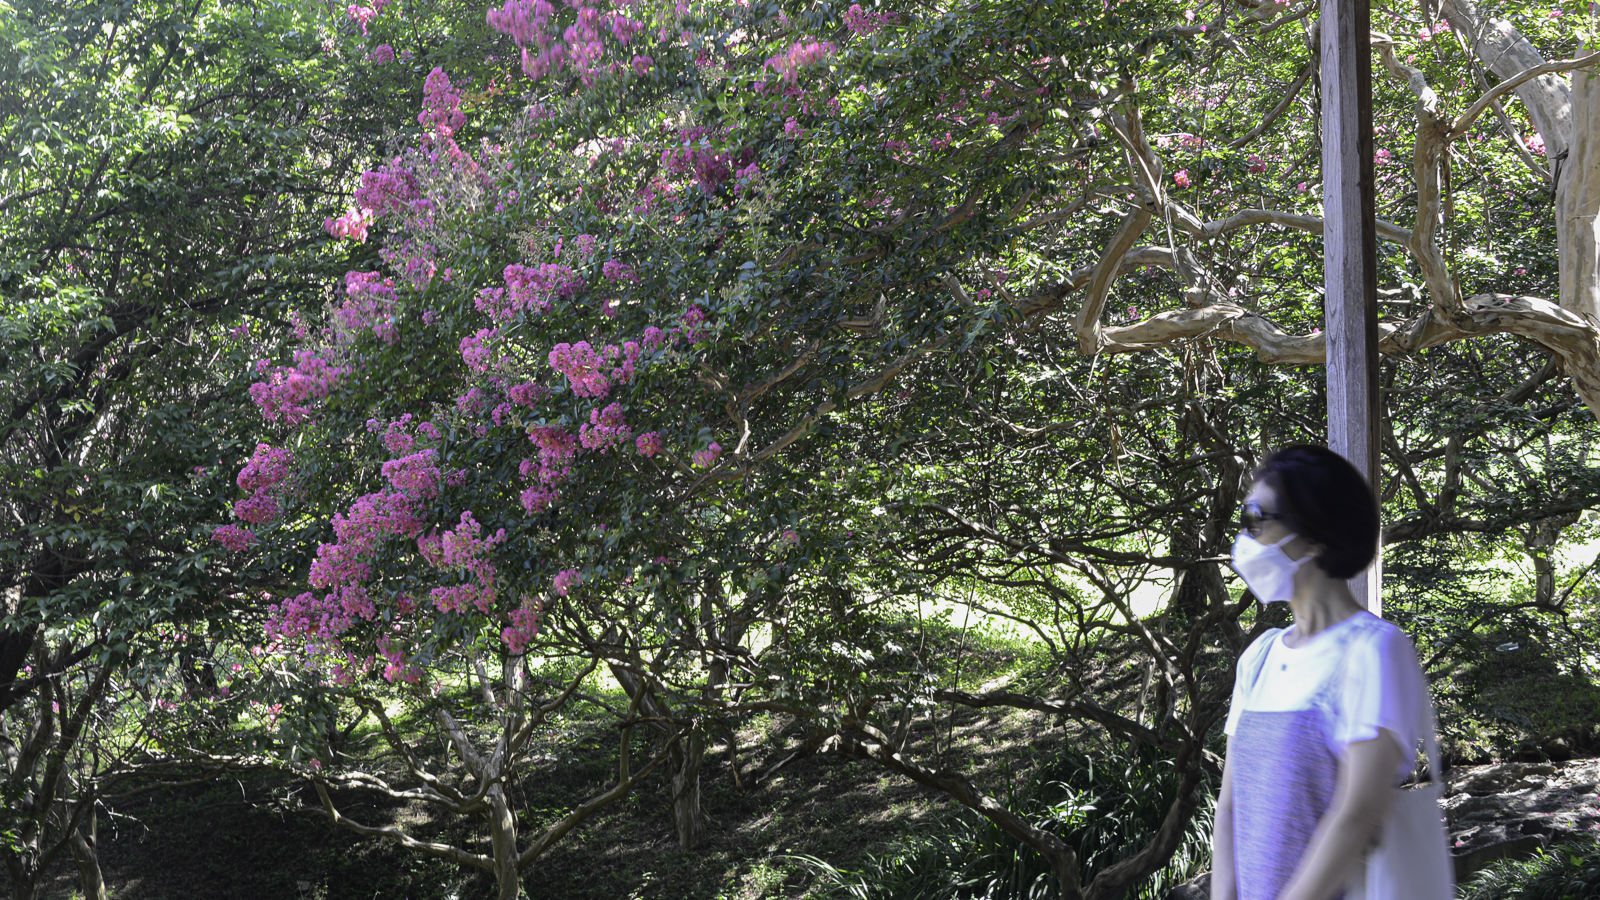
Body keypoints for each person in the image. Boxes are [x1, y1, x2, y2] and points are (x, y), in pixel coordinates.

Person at [1211, 445, 1435, 900]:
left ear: (1315, 537)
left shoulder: (1373, 651)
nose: (1245, 537)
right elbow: (1231, 805)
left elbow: (1359, 814)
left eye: (1258, 518)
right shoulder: (1259, 657)